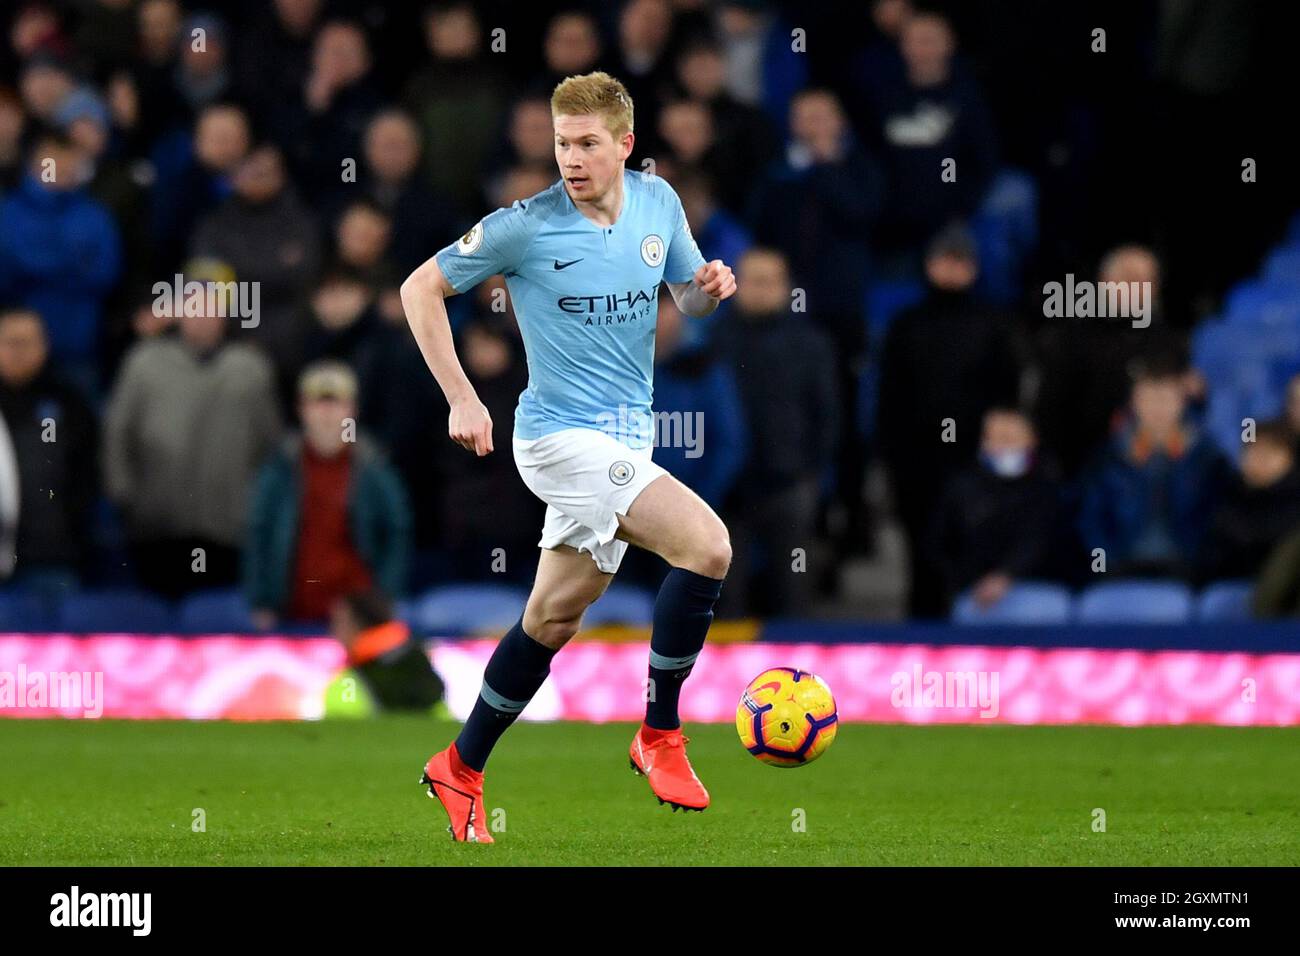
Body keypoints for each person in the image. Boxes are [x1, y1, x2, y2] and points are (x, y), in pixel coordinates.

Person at [401, 71, 736, 841]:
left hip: (627, 438)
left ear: (626, 144)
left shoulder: (660, 204)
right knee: (707, 546)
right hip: (555, 440)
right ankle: (659, 735)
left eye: (587, 144)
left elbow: (684, 296)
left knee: (553, 616)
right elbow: (419, 289)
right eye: (561, 144)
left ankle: (459, 765)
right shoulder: (526, 226)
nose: (572, 159)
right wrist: (460, 395)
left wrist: (709, 288)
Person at [103, 279, 283, 598]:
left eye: (211, 309)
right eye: (193, 308)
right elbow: (118, 433)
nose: (202, 318)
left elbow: (270, 443)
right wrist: (125, 495)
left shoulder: (251, 369)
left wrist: (255, 506)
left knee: (218, 623)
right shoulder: (144, 362)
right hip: (156, 527)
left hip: (228, 528)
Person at [245, 361, 411, 627]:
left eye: (336, 404)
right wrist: (262, 601)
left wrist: (385, 598)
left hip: (358, 620)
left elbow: (396, 533)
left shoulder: (373, 467)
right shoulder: (280, 467)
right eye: (318, 403)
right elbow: (258, 534)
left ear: (352, 411)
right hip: (293, 615)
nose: (327, 414)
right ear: (302, 410)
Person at [1078, 356, 1230, 577]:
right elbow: (1090, 519)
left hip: (1188, 572)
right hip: (1120, 570)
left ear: (1182, 401)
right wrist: (1106, 565)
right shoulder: (1108, 457)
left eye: (1166, 398)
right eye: (1148, 398)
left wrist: (1202, 565)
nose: (1158, 408)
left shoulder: (1208, 458)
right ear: (1133, 403)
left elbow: (1218, 518)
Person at [928, 408, 1065, 611]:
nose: (1003, 446)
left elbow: (1049, 543)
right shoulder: (962, 487)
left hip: (1040, 589)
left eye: (1010, 438)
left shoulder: (1051, 487)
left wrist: (1008, 575)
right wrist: (971, 580)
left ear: (1032, 440)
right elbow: (940, 545)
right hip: (975, 592)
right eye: (995, 437)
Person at [0, 308, 98, 592]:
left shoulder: (70, 404)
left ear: (44, 345)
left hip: (53, 559)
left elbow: (87, 475)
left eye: (27, 342)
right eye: (10, 342)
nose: (19, 352)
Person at [322, 589, 446, 717]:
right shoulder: (417, 659)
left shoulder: (345, 684)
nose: (333, 632)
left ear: (356, 624)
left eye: (338, 622)